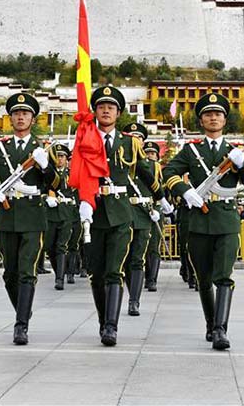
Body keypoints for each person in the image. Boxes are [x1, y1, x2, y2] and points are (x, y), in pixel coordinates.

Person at [163, 92, 244, 351]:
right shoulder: (191, 150)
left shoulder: (234, 151)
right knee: (203, 278)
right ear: (201, 120)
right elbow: (168, 173)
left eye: (218, 114)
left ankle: (220, 330)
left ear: (225, 119)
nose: (213, 117)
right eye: (208, 114)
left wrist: (243, 165)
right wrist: (185, 191)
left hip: (226, 220)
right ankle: (210, 323)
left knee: (224, 277)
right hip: (198, 221)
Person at [0, 92, 59, 345]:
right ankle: (23, 311)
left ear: (32, 118)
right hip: (7, 214)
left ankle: (21, 326)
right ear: (11, 118)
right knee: (10, 273)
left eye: (25, 113)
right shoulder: (0, 148)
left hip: (33, 216)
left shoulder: (41, 149)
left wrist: (46, 166)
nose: (20, 117)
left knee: (27, 271)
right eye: (16, 113)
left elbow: (57, 183)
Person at [77, 85, 163, 346]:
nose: (106, 110)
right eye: (101, 106)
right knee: (97, 273)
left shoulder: (130, 142)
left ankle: (111, 327)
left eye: (111, 107)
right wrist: (80, 200)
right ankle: (104, 320)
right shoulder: (84, 138)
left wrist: (162, 198)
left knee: (115, 271)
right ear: (95, 111)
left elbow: (146, 172)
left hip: (121, 213)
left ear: (119, 113)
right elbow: (77, 172)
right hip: (94, 212)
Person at [120, 124, 173, 316]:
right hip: (122, 212)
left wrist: (159, 204)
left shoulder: (151, 165)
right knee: (123, 259)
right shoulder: (119, 161)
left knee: (137, 258)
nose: (135, 140)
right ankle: (130, 290)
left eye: (139, 137)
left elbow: (156, 188)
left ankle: (134, 301)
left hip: (144, 213)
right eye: (132, 136)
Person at [45, 143, 78, 290]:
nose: (59, 159)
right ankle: (60, 270)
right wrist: (46, 198)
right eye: (57, 156)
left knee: (61, 246)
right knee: (49, 246)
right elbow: (41, 188)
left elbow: (78, 193)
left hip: (67, 212)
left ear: (67, 158)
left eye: (62, 156)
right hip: (51, 213)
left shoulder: (72, 174)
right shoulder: (48, 173)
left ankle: (60, 278)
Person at [142, 140, 172, 293]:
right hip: (140, 209)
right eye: (147, 153)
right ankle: (139, 277)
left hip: (155, 209)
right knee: (139, 247)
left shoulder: (158, 169)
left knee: (154, 246)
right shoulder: (140, 166)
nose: (149, 156)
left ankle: (151, 279)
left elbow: (164, 191)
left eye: (153, 154)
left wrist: (163, 207)